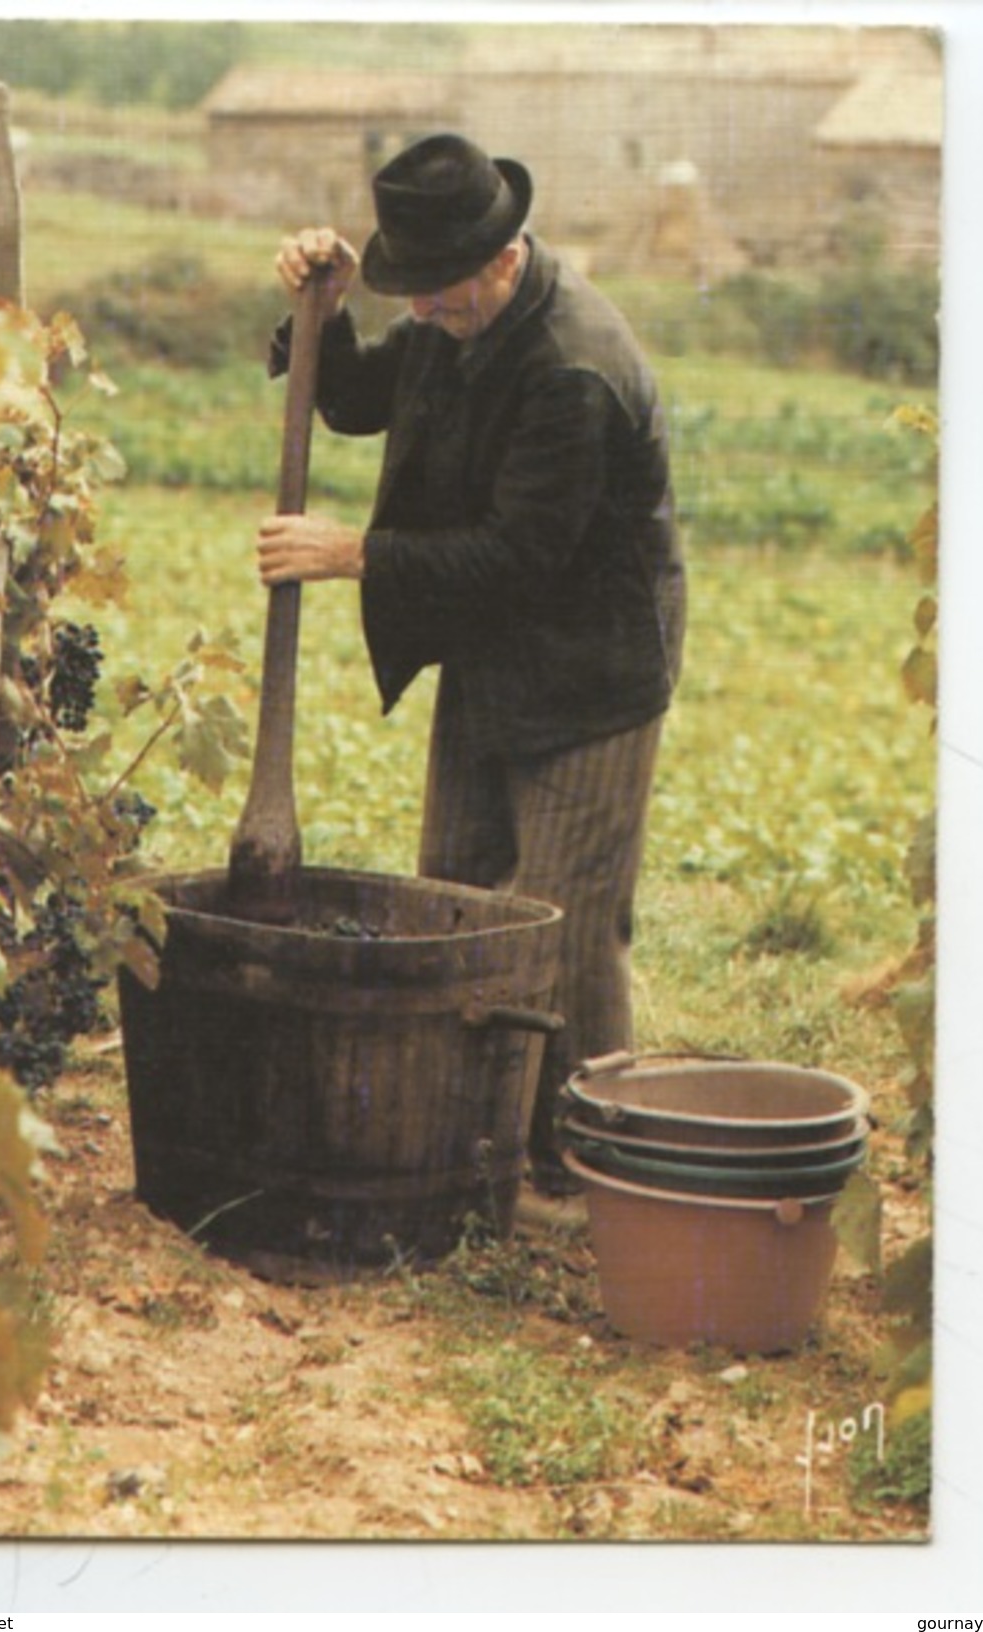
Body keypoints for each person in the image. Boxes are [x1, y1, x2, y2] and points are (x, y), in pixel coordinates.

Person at [257, 132, 685, 1195]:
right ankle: (471, 1141)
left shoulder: (571, 366)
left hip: (589, 670)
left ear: (504, 258)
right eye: (410, 292)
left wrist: (354, 554)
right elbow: (355, 400)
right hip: (491, 646)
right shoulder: (457, 313)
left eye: (432, 292)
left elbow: (522, 557)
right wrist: (329, 308)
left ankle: (589, 1170)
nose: (423, 312)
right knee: (454, 897)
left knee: (565, 929)